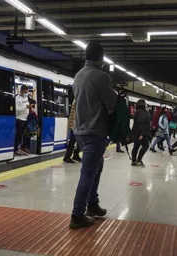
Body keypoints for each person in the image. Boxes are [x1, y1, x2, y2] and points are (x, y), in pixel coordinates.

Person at [70, 42, 117, 229]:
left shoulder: (78, 75)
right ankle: (77, 215)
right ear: (101, 57)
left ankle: (92, 204)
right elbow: (112, 103)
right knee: (88, 173)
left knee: (96, 167)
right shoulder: (101, 76)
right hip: (94, 130)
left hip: (80, 130)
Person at [131, 99, 151, 166]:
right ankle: (139, 160)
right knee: (146, 146)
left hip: (136, 132)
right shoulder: (143, 113)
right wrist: (142, 134)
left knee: (136, 147)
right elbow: (141, 123)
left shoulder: (137, 112)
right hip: (142, 133)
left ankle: (133, 161)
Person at [14, 85, 30, 156]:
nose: (26, 93)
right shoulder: (17, 98)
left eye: (27, 92)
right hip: (19, 119)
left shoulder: (26, 97)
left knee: (24, 135)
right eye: (25, 92)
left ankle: (22, 147)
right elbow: (17, 109)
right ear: (21, 91)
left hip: (25, 118)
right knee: (18, 135)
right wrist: (25, 107)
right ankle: (16, 149)